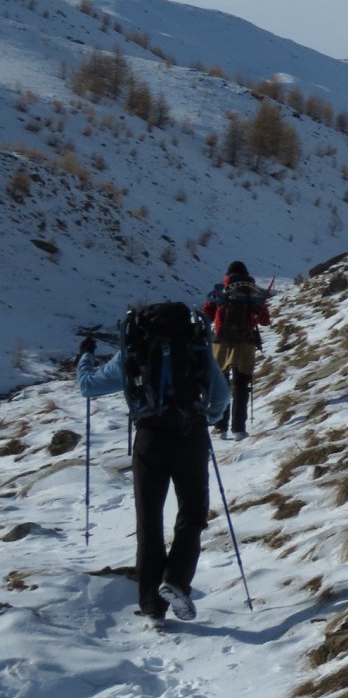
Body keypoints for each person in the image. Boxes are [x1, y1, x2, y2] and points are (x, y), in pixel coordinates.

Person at [78, 304, 229, 623]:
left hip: (149, 437)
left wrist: (86, 356)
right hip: (191, 434)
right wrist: (208, 418)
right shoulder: (195, 343)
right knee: (192, 513)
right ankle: (175, 580)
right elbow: (221, 394)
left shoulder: (135, 345)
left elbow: (88, 386)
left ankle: (152, 606)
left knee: (149, 519)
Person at [201, 260, 271, 439]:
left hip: (221, 342)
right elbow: (265, 320)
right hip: (246, 343)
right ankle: (239, 428)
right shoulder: (253, 291)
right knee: (241, 384)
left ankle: (220, 426)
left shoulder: (222, 289)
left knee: (221, 384)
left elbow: (207, 315)